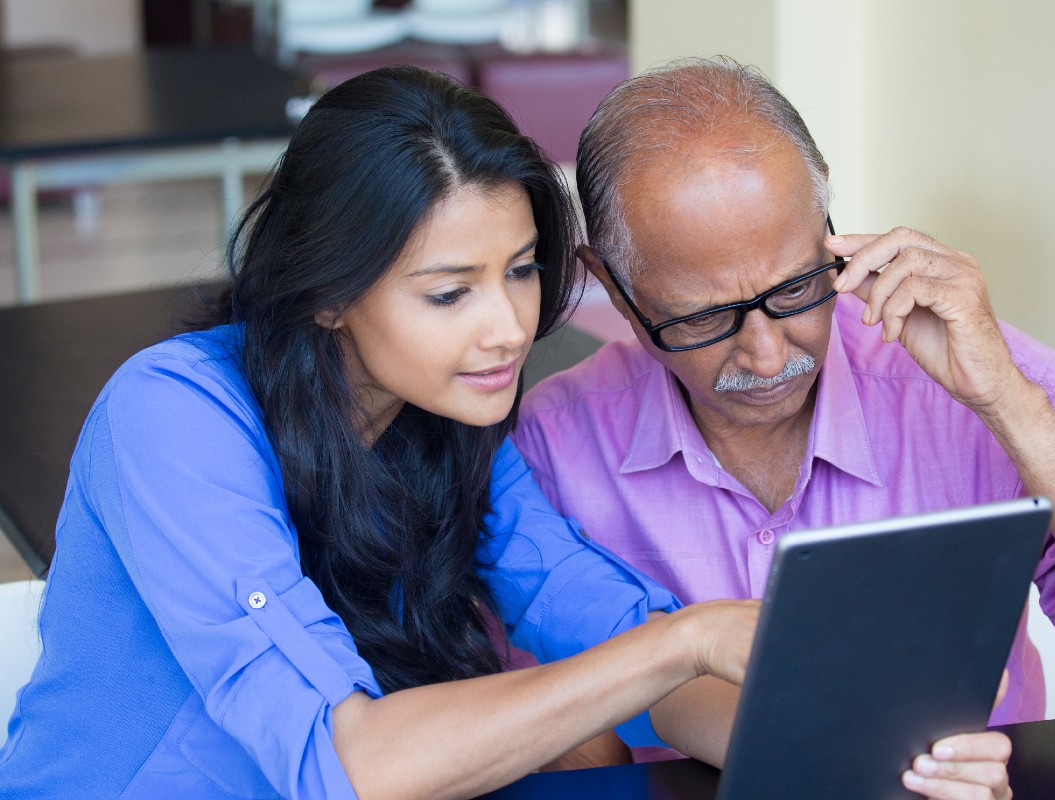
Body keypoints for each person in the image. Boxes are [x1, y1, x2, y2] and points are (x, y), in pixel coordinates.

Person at [0, 66, 763, 800]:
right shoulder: (172, 415)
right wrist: (681, 641)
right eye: (450, 292)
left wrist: (851, 748)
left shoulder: (446, 422)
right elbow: (343, 762)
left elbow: (595, 616)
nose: (508, 329)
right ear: (328, 290)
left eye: (522, 270)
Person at [512, 55, 1055, 788]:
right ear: (615, 290)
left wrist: (1008, 401)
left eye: (799, 287)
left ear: (827, 227)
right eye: (705, 319)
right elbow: (558, 746)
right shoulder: (553, 446)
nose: (769, 352)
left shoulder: (983, 385)